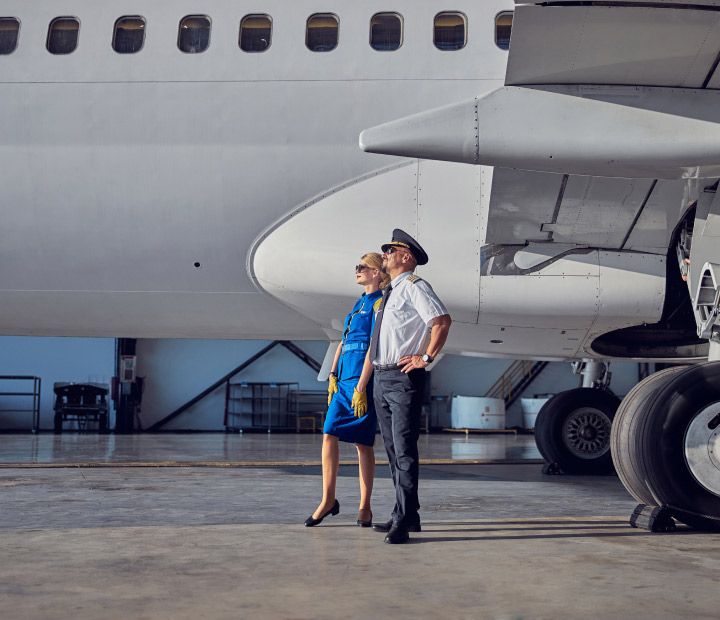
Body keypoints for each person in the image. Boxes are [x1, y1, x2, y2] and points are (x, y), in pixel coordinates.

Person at [354, 229, 452, 544]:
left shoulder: (413, 287)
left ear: (405, 257)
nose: (384, 254)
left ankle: (406, 522)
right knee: (394, 451)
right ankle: (406, 514)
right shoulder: (390, 293)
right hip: (382, 378)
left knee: (405, 452)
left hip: (402, 378)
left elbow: (441, 320)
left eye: (389, 250)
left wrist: (426, 357)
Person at [304, 252, 390, 528]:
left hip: (363, 379)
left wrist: (362, 385)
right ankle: (328, 499)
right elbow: (343, 341)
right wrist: (332, 373)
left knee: (362, 444)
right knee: (329, 433)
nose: (357, 270)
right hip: (343, 380)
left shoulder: (381, 303)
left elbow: (374, 347)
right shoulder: (358, 304)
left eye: (362, 267)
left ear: (376, 272)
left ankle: (365, 506)